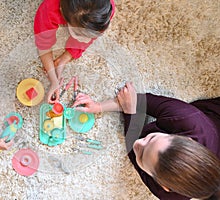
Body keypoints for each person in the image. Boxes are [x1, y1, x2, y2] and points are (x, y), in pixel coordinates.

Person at [73, 82, 220, 200]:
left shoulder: (166, 194)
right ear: (182, 137)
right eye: (151, 138)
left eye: (142, 156)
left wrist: (131, 114)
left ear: (164, 186)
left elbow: (132, 141)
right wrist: (99, 106)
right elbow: (140, 100)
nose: (138, 143)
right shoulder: (188, 118)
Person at [34, 0, 115, 103]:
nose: (85, 40)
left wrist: (63, 61)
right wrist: (53, 80)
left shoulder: (105, 11)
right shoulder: (49, 8)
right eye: (78, 34)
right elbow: (43, 44)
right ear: (62, 12)